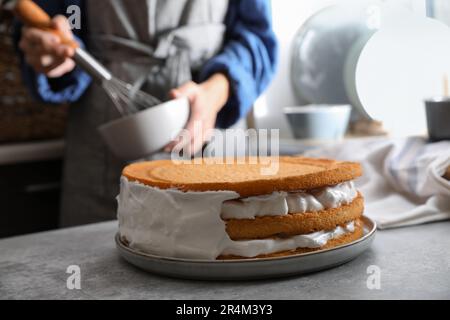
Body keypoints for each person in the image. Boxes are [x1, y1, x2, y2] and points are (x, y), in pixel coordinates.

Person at [15, 0, 278, 227]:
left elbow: (255, 36)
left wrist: (217, 91)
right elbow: (61, 18)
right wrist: (52, 51)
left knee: (222, 256)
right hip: (100, 151)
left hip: (213, 134)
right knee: (97, 275)